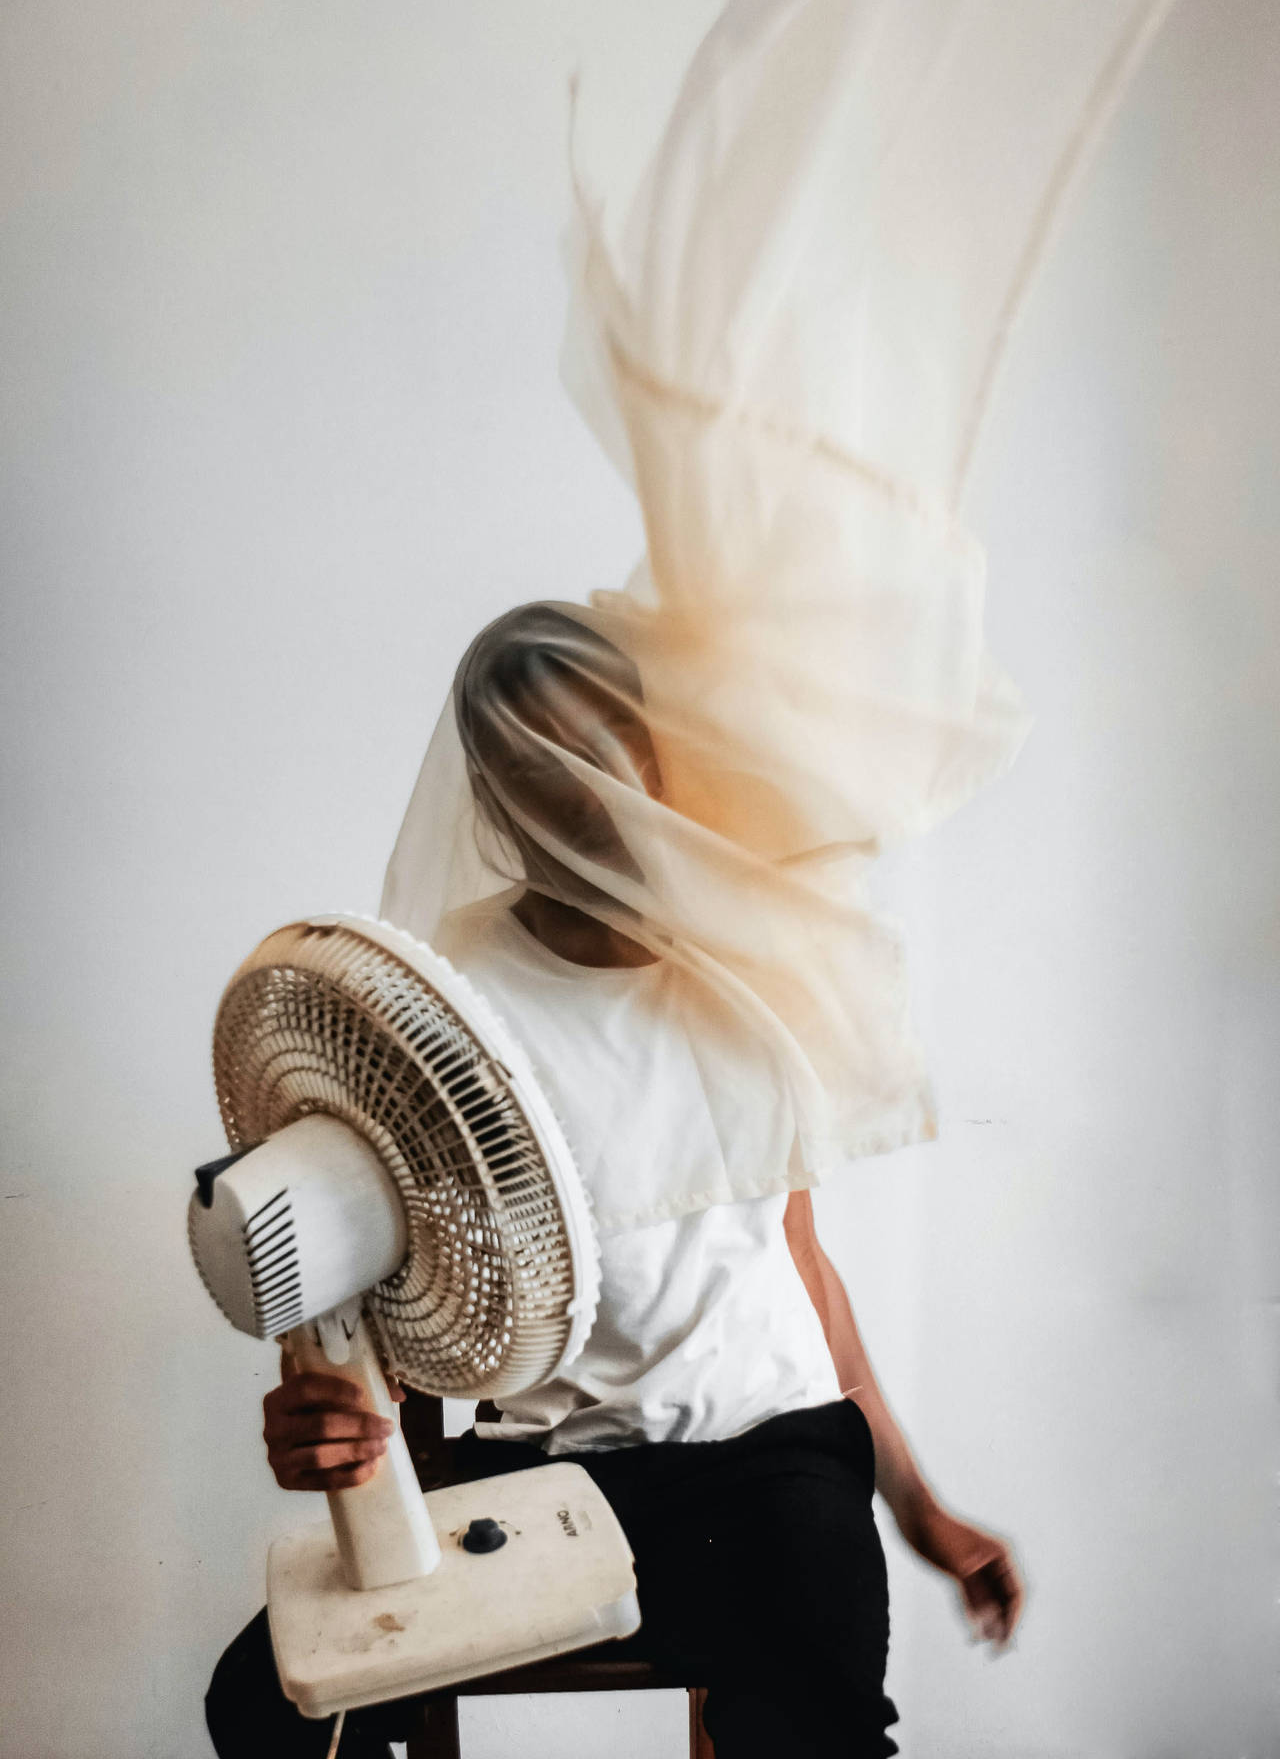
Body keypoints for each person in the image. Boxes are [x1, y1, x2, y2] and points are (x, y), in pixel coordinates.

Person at [205, 608, 1024, 1759]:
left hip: (772, 1464)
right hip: (549, 1476)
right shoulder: (442, 1010)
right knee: (263, 1707)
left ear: (656, 760)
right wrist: (329, 1414)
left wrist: (918, 1506)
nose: (585, 799)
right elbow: (385, 1294)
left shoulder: (757, 972)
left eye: (606, 758)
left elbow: (796, 1262)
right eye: (540, 774)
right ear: (494, 798)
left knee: (812, 1733)